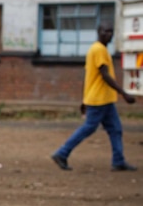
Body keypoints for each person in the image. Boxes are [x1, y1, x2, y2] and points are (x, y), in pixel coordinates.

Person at [51, 23, 137, 171]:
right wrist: (123, 93)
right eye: (105, 31)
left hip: (104, 99)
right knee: (89, 127)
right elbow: (104, 75)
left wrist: (84, 99)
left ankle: (118, 160)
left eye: (111, 31)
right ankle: (62, 153)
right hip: (99, 100)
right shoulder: (99, 50)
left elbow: (88, 77)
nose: (108, 34)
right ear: (98, 32)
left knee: (115, 129)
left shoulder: (98, 49)